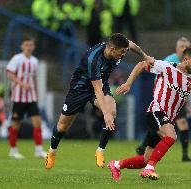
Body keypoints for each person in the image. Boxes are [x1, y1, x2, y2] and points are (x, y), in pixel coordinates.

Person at [108, 47, 191, 181]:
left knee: (146, 159)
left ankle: (116, 165)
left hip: (167, 119)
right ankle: (149, 170)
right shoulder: (167, 67)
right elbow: (142, 64)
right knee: (171, 136)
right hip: (156, 111)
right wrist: (128, 84)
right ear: (186, 59)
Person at [45, 33, 152, 169]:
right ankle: (52, 151)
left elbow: (131, 45)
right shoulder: (94, 59)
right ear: (112, 49)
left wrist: (144, 56)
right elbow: (97, 89)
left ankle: (100, 150)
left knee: (112, 111)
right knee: (62, 126)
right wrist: (105, 114)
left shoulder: (120, 47)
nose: (123, 55)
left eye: (124, 51)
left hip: (102, 84)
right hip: (80, 88)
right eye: (121, 52)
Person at [136, 37, 191, 162]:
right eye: (181, 46)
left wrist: (187, 103)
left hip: (179, 101)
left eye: (186, 47)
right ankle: (146, 151)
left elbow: (187, 86)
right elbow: (157, 75)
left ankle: (184, 155)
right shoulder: (170, 61)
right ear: (176, 49)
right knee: (162, 127)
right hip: (164, 100)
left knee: (181, 124)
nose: (184, 49)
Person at [6, 37, 47, 159]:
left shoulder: (34, 61)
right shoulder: (17, 59)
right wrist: (22, 84)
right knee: (15, 124)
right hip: (19, 97)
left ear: (33, 47)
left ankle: (38, 150)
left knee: (37, 122)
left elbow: (34, 78)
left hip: (31, 98)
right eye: (27, 45)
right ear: (22, 46)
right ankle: (13, 150)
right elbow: (9, 74)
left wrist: (36, 93)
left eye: (31, 45)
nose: (29, 47)